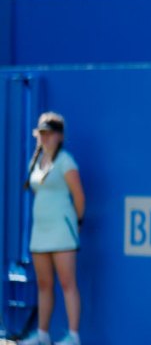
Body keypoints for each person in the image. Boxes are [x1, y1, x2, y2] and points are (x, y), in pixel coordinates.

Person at [18, 113, 85, 345]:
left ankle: (73, 337)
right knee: (44, 285)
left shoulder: (66, 161)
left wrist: (76, 223)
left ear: (60, 136)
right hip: (40, 234)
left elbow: (78, 196)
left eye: (49, 134)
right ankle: (43, 335)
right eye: (42, 134)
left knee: (67, 283)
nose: (44, 138)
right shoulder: (36, 162)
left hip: (63, 233)